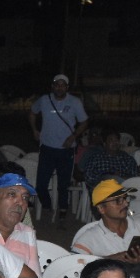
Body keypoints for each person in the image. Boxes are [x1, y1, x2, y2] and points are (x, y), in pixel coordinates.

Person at [71, 179, 140, 278]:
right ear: (101, 208)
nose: (126, 204)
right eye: (118, 201)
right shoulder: (89, 238)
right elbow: (72, 270)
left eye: (126, 198)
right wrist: (111, 260)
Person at [28, 74, 89, 222]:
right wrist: (34, 129)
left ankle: (63, 210)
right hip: (47, 148)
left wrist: (73, 136)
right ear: (53, 86)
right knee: (41, 185)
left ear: (67, 87)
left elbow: (84, 122)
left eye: (63, 85)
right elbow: (32, 112)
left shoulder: (74, 102)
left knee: (63, 185)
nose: (59, 87)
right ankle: (48, 207)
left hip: (66, 150)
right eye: (57, 84)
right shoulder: (44, 100)